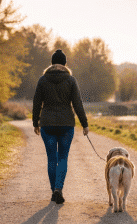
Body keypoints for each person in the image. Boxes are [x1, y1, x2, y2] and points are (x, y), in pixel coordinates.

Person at [32, 49, 89, 205]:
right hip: (66, 125)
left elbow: (37, 103)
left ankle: (54, 191)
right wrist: (85, 124)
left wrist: (35, 122)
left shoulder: (43, 80)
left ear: (52, 63)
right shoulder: (70, 80)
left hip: (47, 124)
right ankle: (59, 189)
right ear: (65, 63)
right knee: (63, 158)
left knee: (52, 158)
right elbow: (77, 104)